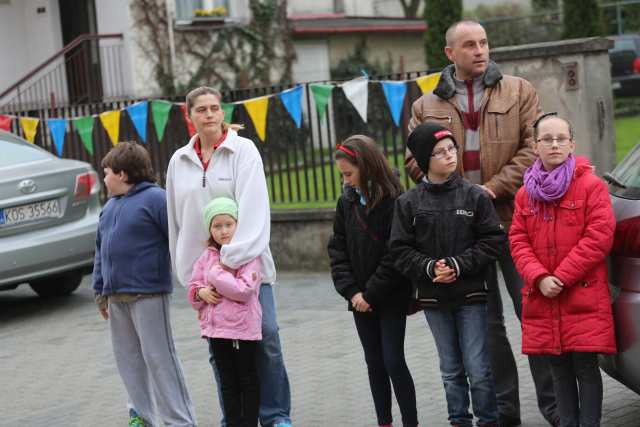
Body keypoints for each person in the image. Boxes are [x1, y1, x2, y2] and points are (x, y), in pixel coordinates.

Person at [405, 19, 557, 426]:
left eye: (484, 42)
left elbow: (533, 148)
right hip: (460, 238)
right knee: (486, 330)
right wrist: (461, 200)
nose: (480, 50)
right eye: (469, 44)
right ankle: (505, 414)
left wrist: (488, 190)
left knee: (535, 318)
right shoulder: (425, 106)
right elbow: (413, 160)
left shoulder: (519, 90)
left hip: (515, 224)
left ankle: (557, 410)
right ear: (449, 53)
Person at [166, 86, 292, 427]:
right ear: (188, 115)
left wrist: (230, 261)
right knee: (220, 351)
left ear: (223, 112)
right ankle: (233, 418)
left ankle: (276, 414)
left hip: (249, 268)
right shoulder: (179, 161)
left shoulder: (243, 151)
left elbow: (255, 209)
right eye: (201, 109)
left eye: (214, 108)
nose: (209, 114)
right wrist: (192, 275)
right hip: (207, 278)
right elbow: (177, 220)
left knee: (266, 337)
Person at [390, 123, 505, 427]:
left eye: (451, 149)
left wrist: (457, 264)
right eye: (440, 152)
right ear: (424, 159)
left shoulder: (474, 197)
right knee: (451, 369)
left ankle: (488, 420)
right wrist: (430, 268)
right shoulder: (408, 203)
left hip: (471, 295)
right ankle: (459, 419)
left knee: (478, 367)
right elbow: (399, 250)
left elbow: (492, 240)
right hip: (433, 297)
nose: (449, 156)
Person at [509, 113, 616, 427]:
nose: (554, 144)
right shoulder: (525, 194)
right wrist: (540, 277)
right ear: (535, 145)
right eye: (546, 139)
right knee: (558, 370)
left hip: (582, 295)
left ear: (572, 144)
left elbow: (599, 236)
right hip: (543, 296)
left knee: (585, 368)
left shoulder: (591, 186)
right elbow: (517, 239)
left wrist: (562, 276)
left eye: (560, 139)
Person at [93, 142, 196, 427]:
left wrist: (194, 277)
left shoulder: (156, 199)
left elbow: (179, 240)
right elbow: (100, 251)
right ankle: (141, 417)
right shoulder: (109, 207)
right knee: (128, 360)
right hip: (116, 298)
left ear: (124, 174)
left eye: (107, 173)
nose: (104, 179)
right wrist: (100, 291)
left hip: (148, 294)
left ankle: (179, 420)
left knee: (159, 358)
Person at [327, 136, 419, 427]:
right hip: (359, 300)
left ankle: (410, 421)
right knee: (374, 363)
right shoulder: (347, 201)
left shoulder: (395, 200)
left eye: (349, 174)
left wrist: (371, 294)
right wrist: (352, 292)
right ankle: (384, 421)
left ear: (365, 166)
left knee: (393, 360)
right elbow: (337, 248)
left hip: (389, 297)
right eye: (343, 175)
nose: (346, 180)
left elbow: (395, 253)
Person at [188, 197, 262, 427]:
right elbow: (194, 287)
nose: (223, 231)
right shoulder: (206, 257)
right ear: (210, 229)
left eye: (228, 224)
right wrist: (201, 294)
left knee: (247, 380)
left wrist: (216, 276)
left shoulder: (247, 254)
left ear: (238, 224)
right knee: (227, 383)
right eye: (217, 226)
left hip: (241, 331)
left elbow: (245, 290)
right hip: (217, 332)